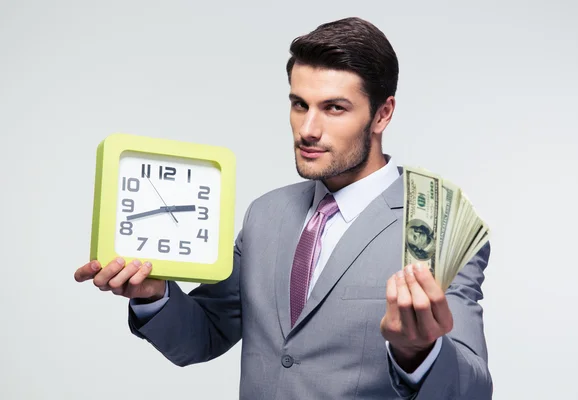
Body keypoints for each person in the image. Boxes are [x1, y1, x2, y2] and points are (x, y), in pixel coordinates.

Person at [74, 17, 493, 399]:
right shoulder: (265, 215)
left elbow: (474, 390)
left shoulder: (439, 231)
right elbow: (203, 337)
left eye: (334, 108)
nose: (308, 129)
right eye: (299, 104)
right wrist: (154, 295)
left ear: (382, 114)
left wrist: (419, 352)